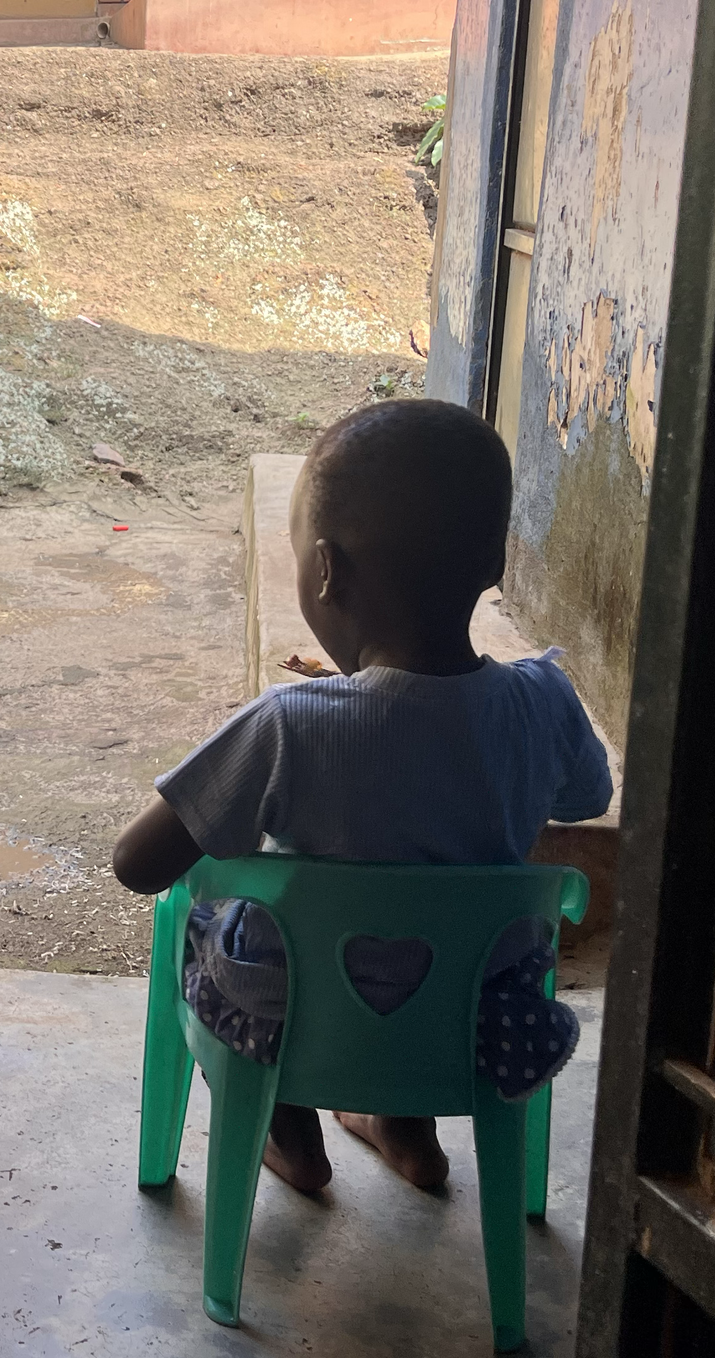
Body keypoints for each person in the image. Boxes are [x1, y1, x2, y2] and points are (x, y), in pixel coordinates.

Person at [110, 397, 612, 1194]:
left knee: (202, 919)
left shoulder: (289, 728)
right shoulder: (543, 703)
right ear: (494, 568)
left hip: (303, 1025)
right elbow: (589, 795)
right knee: (436, 941)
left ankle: (290, 1132)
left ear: (326, 571)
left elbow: (137, 862)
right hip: (473, 1029)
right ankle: (408, 1129)